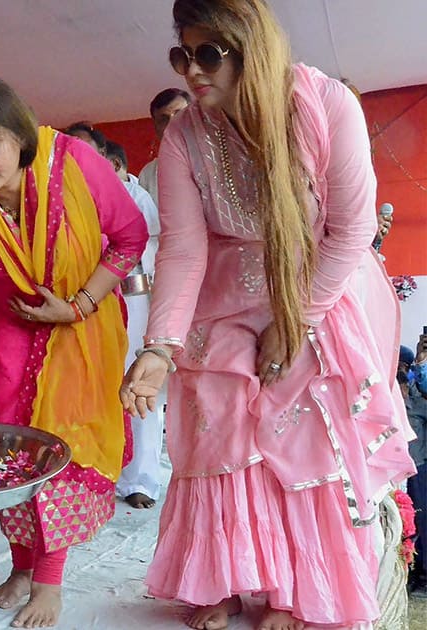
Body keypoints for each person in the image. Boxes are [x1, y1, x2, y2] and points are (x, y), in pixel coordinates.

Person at [120, 2, 417, 629]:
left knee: (300, 427)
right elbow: (183, 244)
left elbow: (352, 229)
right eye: (183, 55)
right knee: (217, 424)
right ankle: (225, 577)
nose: (192, 71)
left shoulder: (326, 103)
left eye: (208, 54)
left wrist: (296, 319)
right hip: (224, 293)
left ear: (248, 47)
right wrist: (160, 347)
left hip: (318, 286)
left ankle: (295, 592)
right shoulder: (183, 135)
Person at [0, 75, 148, 628]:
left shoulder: (74, 163)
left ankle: (48, 581)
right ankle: (22, 565)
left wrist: (78, 304)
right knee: (13, 454)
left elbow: (131, 236)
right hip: (11, 332)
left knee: (62, 449)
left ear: (18, 135)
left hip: (83, 327)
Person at [104, 140, 165, 509]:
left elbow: (155, 256)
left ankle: (142, 479)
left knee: (140, 388)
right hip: (94, 307)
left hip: (135, 303)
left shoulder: (135, 195)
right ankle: (108, 469)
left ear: (113, 163)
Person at [401, 341, 427, 597]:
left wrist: (421, 365)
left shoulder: (419, 397)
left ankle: (423, 575)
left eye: (404, 367)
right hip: (394, 472)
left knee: (420, 521)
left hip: (417, 468)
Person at [137, 88, 191, 206]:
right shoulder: (148, 174)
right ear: (156, 128)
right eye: (163, 119)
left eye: (180, 114)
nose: (173, 123)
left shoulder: (215, 159)